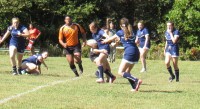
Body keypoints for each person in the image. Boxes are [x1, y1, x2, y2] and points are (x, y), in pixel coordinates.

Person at [102, 17, 142, 92]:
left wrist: (104, 41)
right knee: (127, 72)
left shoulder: (120, 32)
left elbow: (110, 39)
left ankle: (136, 80)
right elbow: (137, 41)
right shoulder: (132, 31)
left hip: (129, 53)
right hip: (136, 52)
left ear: (120, 26)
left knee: (120, 72)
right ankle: (134, 87)